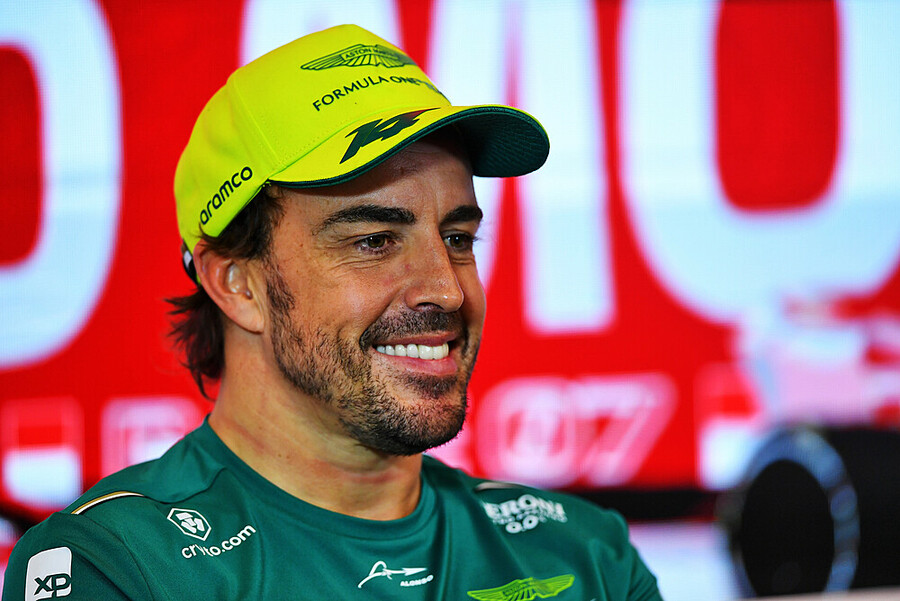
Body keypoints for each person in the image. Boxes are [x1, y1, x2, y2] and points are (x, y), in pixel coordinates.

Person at [2, 24, 662, 600]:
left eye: (458, 238)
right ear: (237, 283)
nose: (448, 289)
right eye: (374, 240)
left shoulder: (583, 556)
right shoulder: (116, 565)